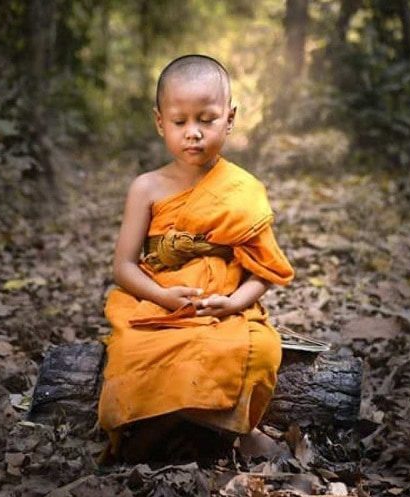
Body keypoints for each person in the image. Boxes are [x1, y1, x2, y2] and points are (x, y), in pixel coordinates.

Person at [97, 54, 294, 463]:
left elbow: (264, 271)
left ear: (230, 117)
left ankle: (200, 428)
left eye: (206, 119)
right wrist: (165, 298)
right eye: (180, 121)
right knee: (132, 350)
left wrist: (235, 303)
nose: (194, 134)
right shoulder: (146, 188)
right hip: (159, 305)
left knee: (260, 348)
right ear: (159, 122)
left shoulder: (244, 189)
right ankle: (171, 429)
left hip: (224, 311)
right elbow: (123, 267)